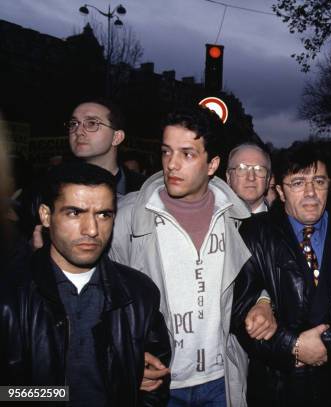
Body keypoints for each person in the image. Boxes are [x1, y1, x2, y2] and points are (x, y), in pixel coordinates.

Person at [110, 108, 274, 406]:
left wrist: (264, 301)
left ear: (212, 164)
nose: (172, 164)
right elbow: (102, 298)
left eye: (187, 154)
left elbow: (263, 277)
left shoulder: (239, 220)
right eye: (166, 151)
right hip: (158, 384)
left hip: (222, 381)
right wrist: (126, 356)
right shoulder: (126, 218)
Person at [0, 162, 171, 406]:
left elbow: (157, 384)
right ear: (46, 216)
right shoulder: (9, 296)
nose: (91, 229)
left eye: (103, 215)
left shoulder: (139, 293)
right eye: (74, 213)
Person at [231, 142, 331, 407]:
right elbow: (239, 312)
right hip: (276, 386)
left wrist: (329, 344)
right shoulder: (254, 234)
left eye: (319, 181)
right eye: (298, 183)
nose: (311, 193)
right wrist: (293, 346)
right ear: (279, 190)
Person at [68, 98, 145, 196]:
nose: (78, 131)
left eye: (92, 123)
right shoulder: (53, 187)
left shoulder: (145, 191)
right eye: (73, 124)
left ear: (116, 137)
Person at [226, 143, 273, 213]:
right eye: (242, 169)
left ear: (268, 179)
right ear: (228, 177)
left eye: (259, 170)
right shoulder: (211, 220)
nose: (251, 177)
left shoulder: (285, 222)